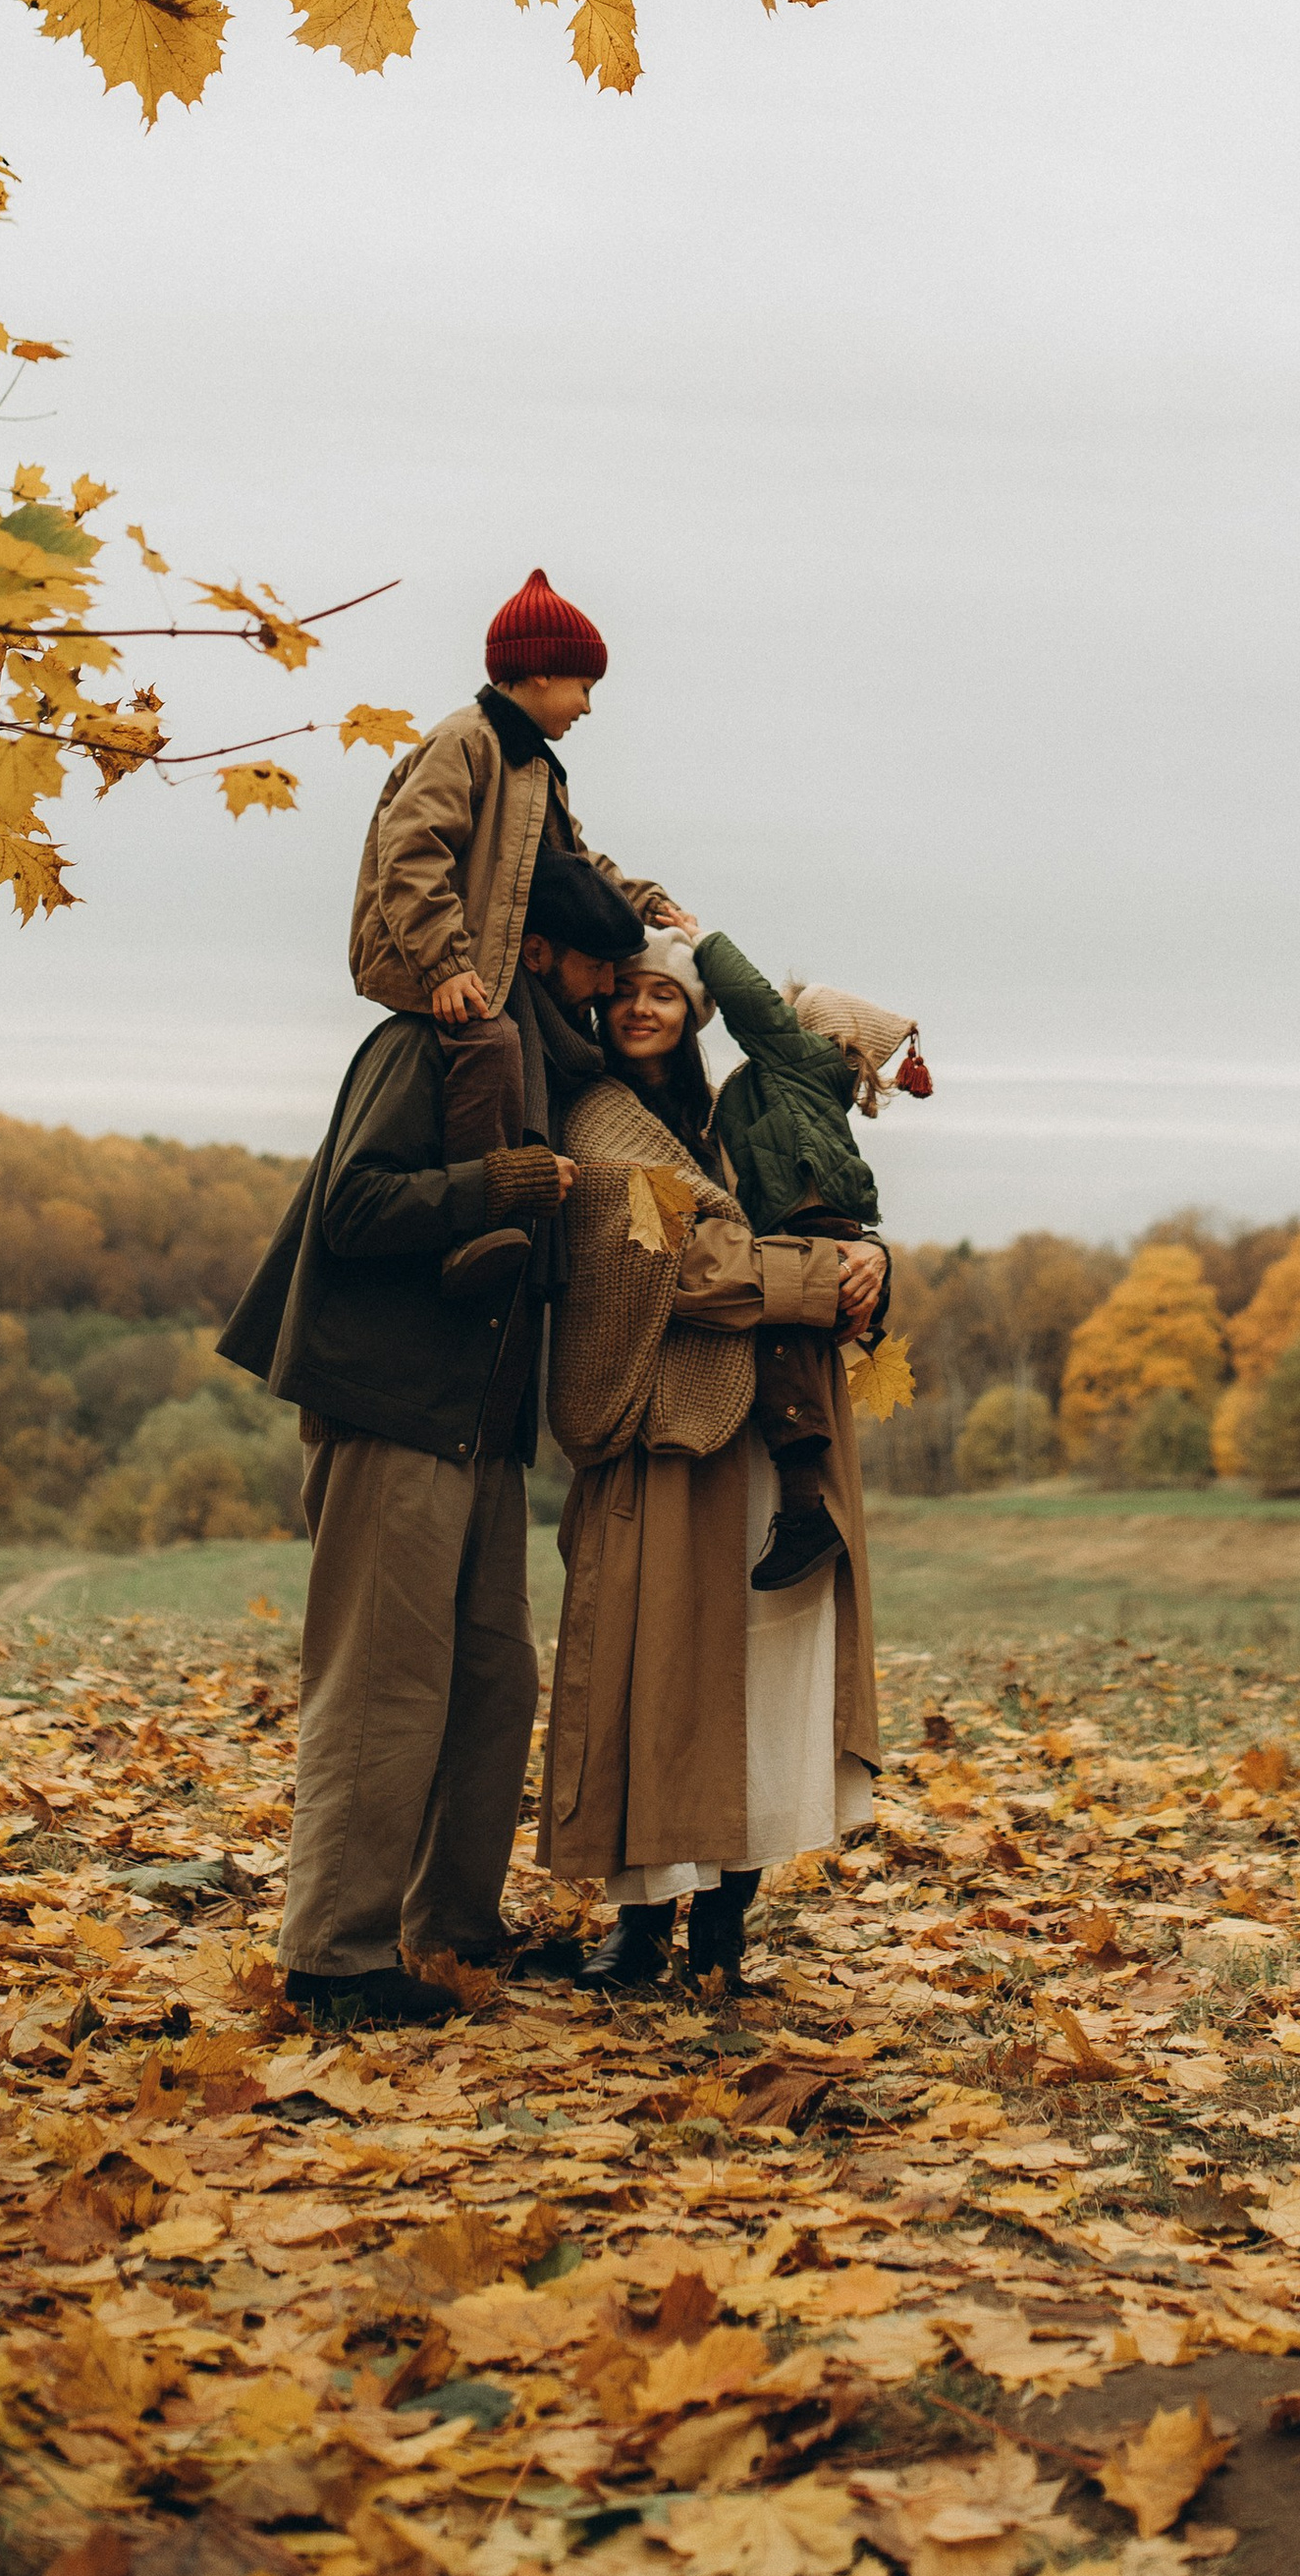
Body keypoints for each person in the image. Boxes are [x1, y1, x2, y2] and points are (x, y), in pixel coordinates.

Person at [221, 848, 650, 2026]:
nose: (611, 988)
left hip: (482, 1423)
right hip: (393, 1400)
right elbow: (351, 1206)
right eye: (598, 963)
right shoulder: (422, 1043)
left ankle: (449, 1928)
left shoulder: (551, 1069)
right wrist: (492, 1186)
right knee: (380, 1683)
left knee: (492, 1677)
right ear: (542, 951)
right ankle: (332, 1956)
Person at [535, 939, 887, 1995]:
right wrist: (835, 1272)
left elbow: (810, 1214)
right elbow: (688, 1265)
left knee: (759, 1670)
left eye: (665, 994)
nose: (642, 1009)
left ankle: (726, 1921)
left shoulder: (732, 1116)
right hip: (664, 1431)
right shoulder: (602, 1120)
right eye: (629, 991)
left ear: (693, 1013)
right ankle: (638, 1926)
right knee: (654, 1669)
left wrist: (873, 1256)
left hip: (767, 1437)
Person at [349, 568, 694, 1309]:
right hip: (433, 960)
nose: (589, 706)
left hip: (479, 964)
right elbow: (410, 853)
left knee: (516, 1046)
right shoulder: (463, 745)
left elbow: (576, 864)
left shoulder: (533, 765)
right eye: (583, 687)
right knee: (492, 1044)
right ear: (538, 673)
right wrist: (443, 964)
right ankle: (474, 1231)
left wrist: (646, 900)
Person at [695, 934, 931, 1592]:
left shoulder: (796, 1059)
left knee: (781, 1351)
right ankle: (802, 1503)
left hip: (805, 1228)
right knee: (788, 1350)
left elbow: (749, 1004)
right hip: (812, 1225)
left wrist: (701, 940)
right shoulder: (790, 1084)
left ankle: (803, 1507)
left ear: (812, 1032)